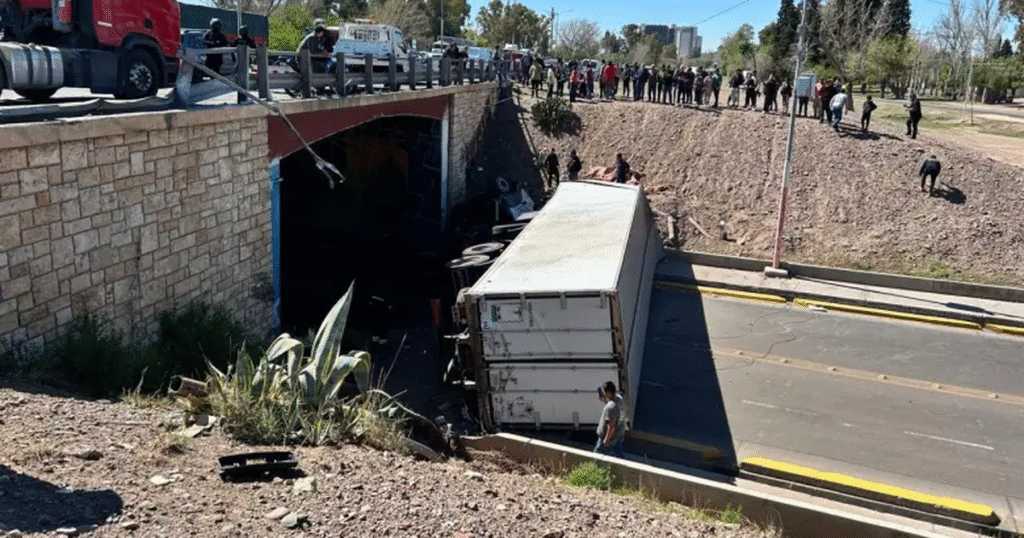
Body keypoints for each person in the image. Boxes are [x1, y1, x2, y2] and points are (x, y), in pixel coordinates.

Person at [594, 381, 628, 458]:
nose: (603, 393)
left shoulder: (610, 407)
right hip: (618, 434)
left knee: (597, 455)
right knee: (618, 453)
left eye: (604, 392)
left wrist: (606, 439)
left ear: (608, 393)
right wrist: (605, 400)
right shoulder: (619, 398)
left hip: (607, 437)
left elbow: (611, 425)